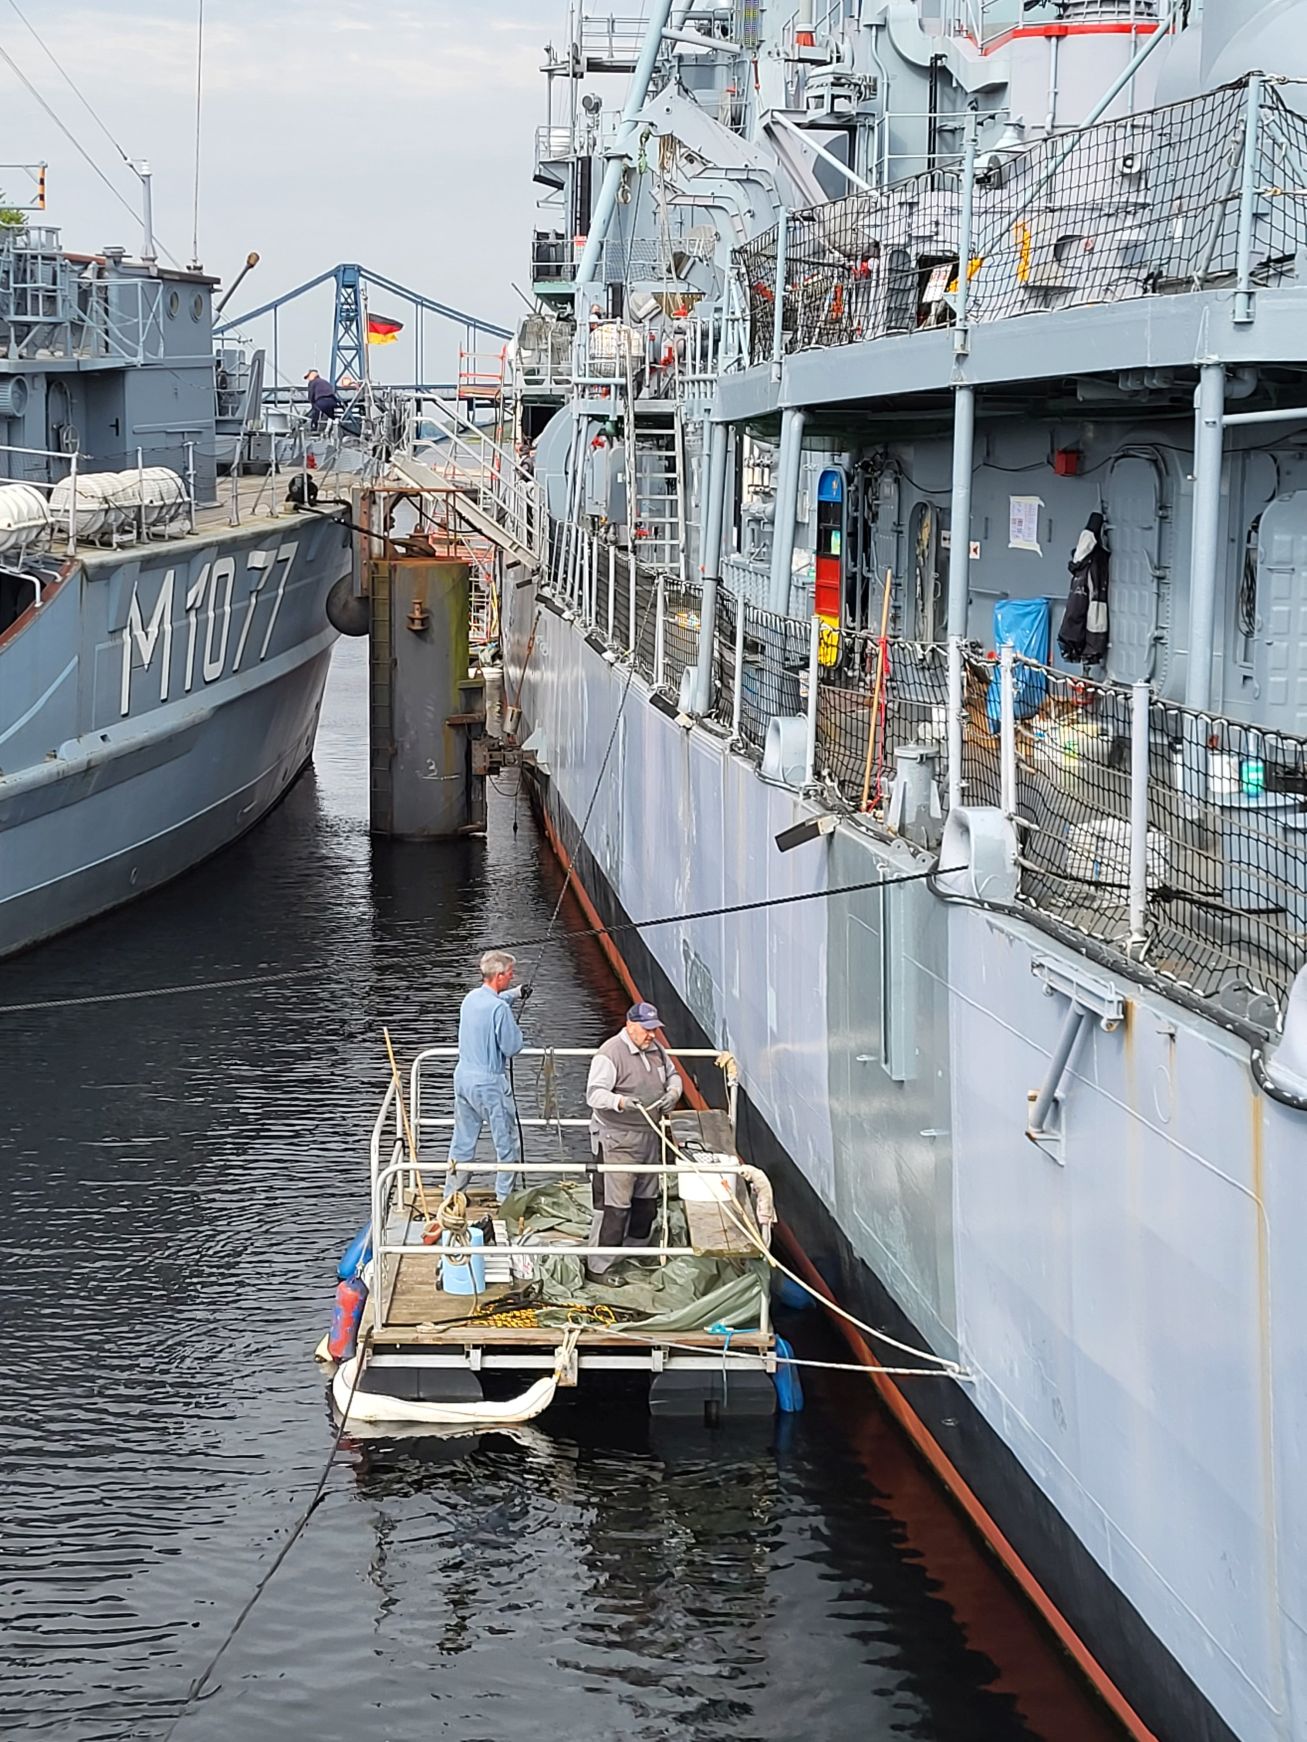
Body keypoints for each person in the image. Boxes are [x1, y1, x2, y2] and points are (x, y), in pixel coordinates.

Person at [584, 1002, 682, 1278]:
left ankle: (637, 1252)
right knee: (615, 1206)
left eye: (654, 1029)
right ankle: (599, 1266)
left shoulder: (657, 1051)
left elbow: (673, 1075)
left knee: (646, 1201)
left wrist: (673, 1093)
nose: (652, 1035)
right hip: (618, 1140)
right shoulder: (610, 1054)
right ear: (630, 1025)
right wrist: (622, 1102)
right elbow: (594, 1094)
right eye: (647, 1029)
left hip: (650, 1135)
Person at [445, 949, 532, 1203]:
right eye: (510, 974)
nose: (511, 977)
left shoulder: (470, 999)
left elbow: (494, 1001)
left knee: (462, 1142)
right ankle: (505, 1200)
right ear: (500, 976)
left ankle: (451, 1196)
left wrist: (515, 994)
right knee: (507, 1144)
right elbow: (512, 1047)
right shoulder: (499, 1011)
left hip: (463, 1079)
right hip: (490, 1083)